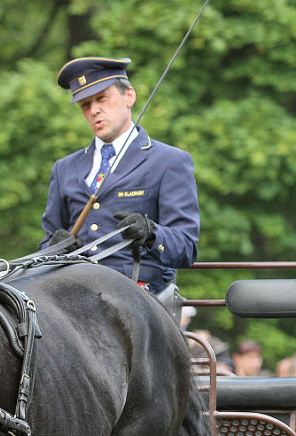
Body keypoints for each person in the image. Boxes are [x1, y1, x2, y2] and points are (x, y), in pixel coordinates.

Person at [40, 56, 200, 293]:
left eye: (102, 98)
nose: (94, 110)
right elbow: (46, 243)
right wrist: (53, 248)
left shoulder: (169, 162)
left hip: (136, 300)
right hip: (72, 297)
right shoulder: (65, 168)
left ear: (129, 96)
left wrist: (151, 233)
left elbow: (185, 248)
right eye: (85, 104)